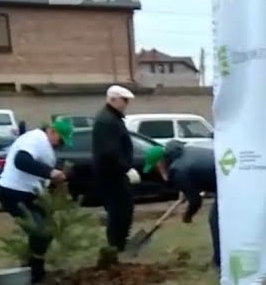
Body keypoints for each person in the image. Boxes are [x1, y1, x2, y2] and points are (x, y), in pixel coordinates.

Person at [0, 118, 75, 284]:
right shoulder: (35, 139)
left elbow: (39, 174)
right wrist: (50, 172)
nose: (61, 145)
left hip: (30, 194)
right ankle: (33, 274)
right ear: (52, 131)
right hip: (13, 192)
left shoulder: (45, 146)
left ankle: (34, 269)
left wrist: (55, 181)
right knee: (38, 231)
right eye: (61, 140)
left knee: (46, 230)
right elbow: (21, 161)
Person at [144, 141, 218, 268]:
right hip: (227, 174)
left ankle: (219, 262)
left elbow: (196, 201)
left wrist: (187, 216)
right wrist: (187, 189)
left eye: (155, 167)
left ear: (160, 162)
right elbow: (197, 172)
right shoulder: (183, 152)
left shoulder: (177, 169)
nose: (156, 170)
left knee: (215, 221)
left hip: (228, 184)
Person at [92, 84, 140, 252]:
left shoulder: (113, 118)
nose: (126, 104)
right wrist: (126, 168)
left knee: (124, 209)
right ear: (113, 100)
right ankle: (116, 245)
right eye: (124, 100)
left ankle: (119, 243)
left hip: (116, 173)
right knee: (119, 211)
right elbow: (109, 152)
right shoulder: (106, 121)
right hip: (112, 175)